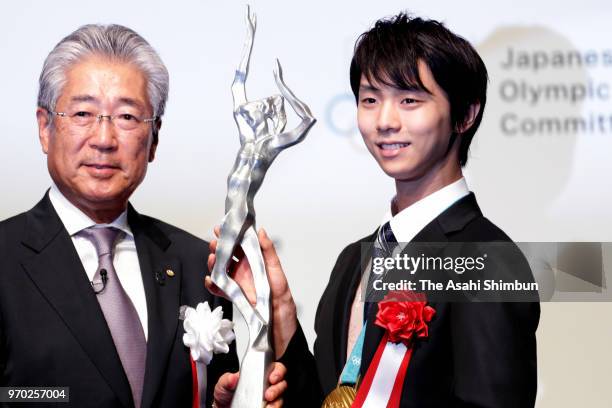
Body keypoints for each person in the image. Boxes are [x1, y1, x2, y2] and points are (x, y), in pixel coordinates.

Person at [208, 12, 540, 407]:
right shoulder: (354, 259)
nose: (385, 120)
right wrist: (280, 312)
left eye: (409, 100)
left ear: (465, 114)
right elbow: (331, 398)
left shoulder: (488, 259)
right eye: (370, 99)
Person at [0, 24, 286, 408]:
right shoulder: (5, 256)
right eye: (84, 113)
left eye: (128, 118)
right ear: (45, 128)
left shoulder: (197, 265)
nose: (104, 139)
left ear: (154, 139)